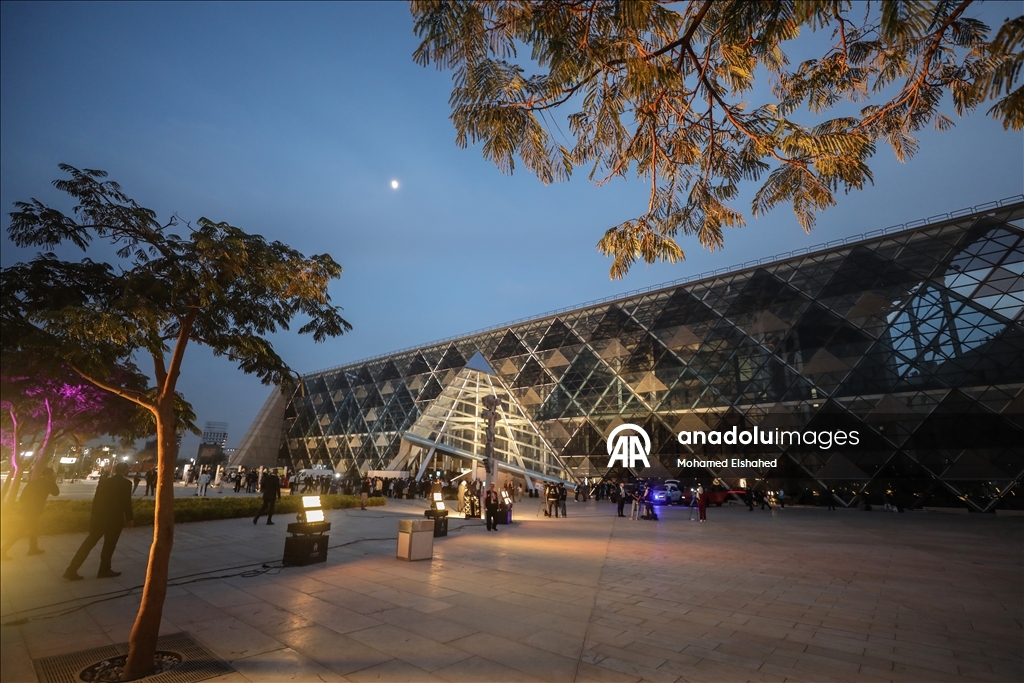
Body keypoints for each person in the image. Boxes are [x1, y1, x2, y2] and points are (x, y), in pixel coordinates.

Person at [63, 462, 133, 580]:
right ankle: (104, 570)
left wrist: (93, 517)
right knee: (109, 545)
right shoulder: (126, 483)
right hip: (114, 519)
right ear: (125, 470)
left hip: (99, 518)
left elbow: (96, 501)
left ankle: (71, 569)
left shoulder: (104, 482)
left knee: (88, 544)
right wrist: (130, 518)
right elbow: (126, 502)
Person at [2, 468, 60, 560]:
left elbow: (22, 498)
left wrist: (25, 507)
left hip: (26, 510)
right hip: (35, 511)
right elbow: (56, 493)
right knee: (20, 531)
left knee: (33, 530)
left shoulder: (33, 482)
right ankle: (2, 551)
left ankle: (33, 549)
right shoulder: (48, 483)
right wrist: (53, 481)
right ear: (50, 475)